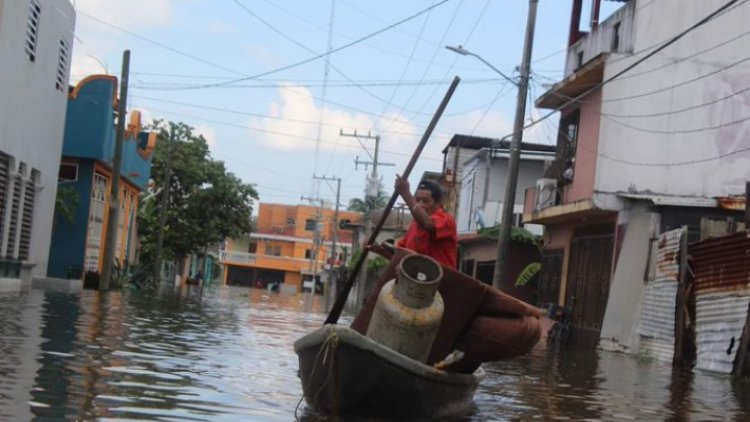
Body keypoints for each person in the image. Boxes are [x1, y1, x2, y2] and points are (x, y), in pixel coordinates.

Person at [370, 176, 457, 268]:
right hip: (416, 279)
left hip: (441, 280)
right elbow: (400, 259)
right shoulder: (414, 226)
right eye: (418, 200)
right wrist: (378, 250)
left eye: (425, 201)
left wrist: (406, 194)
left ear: (438, 203)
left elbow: (427, 224)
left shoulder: (446, 221)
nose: (420, 205)